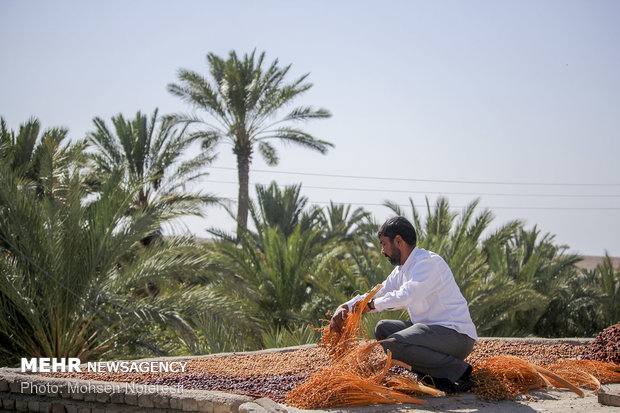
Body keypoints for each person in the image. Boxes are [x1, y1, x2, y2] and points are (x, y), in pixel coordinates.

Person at [329, 216, 478, 393]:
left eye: (384, 244)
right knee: (383, 329)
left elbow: (407, 296)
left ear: (398, 241)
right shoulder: (401, 270)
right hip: (432, 333)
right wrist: (346, 306)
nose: (383, 251)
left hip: (456, 337)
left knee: (393, 343)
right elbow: (378, 291)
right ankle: (432, 376)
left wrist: (370, 306)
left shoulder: (427, 262)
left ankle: (460, 372)